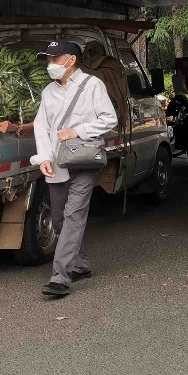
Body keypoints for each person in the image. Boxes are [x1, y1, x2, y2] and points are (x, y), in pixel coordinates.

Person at [31, 40, 118, 298]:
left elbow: (109, 119)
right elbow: (41, 126)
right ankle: (80, 265)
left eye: (55, 59)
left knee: (73, 215)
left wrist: (78, 131)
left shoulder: (93, 85)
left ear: (71, 60)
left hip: (83, 161)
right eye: (48, 60)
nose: (50, 64)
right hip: (57, 163)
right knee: (59, 218)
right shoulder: (48, 92)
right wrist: (43, 157)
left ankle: (60, 277)